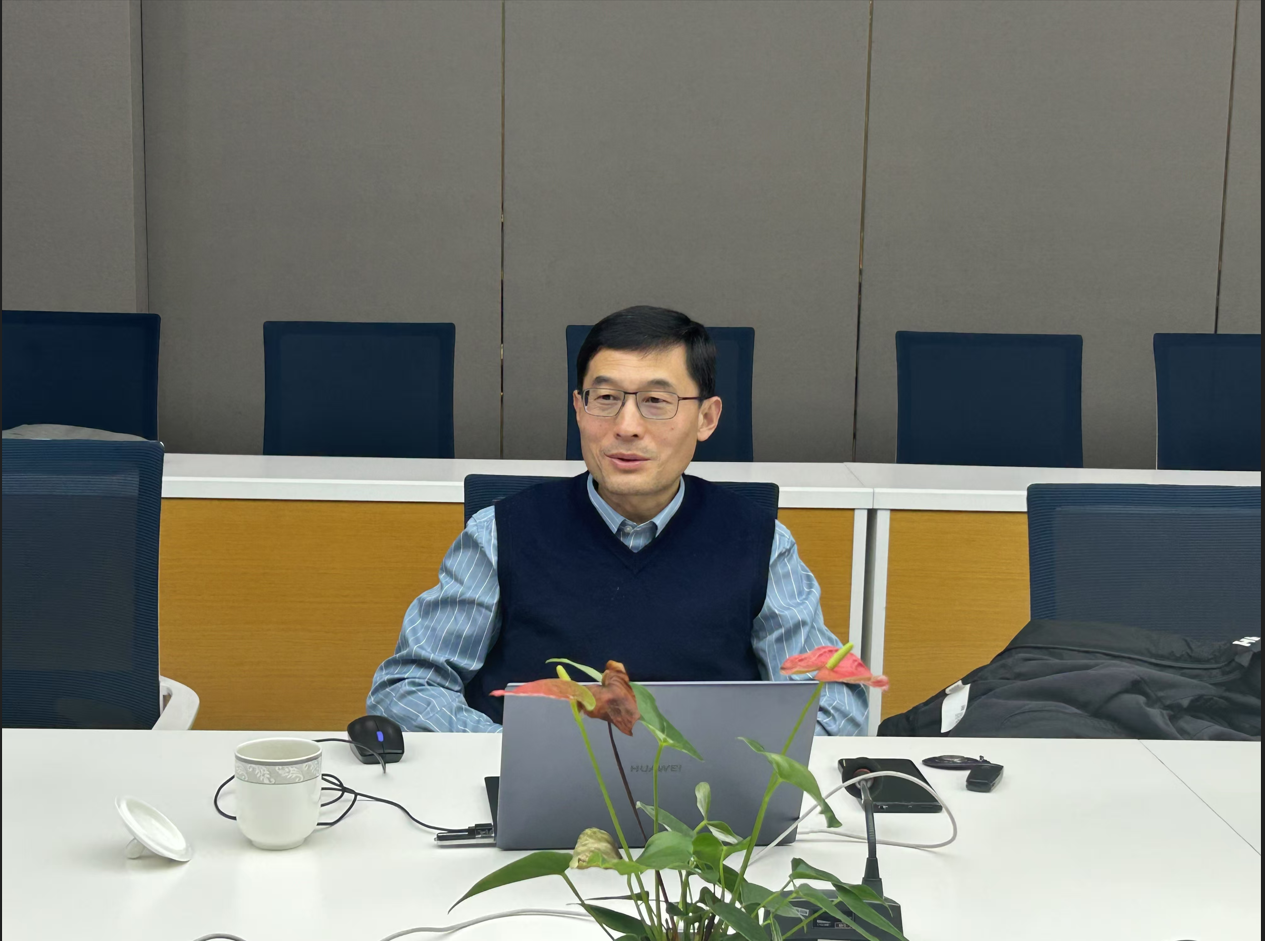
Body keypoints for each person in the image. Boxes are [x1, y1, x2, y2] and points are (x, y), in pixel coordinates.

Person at [367, 306, 867, 734]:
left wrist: (730, 763)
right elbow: (405, 687)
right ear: (578, 409)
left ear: (707, 418)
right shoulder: (499, 535)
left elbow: (837, 703)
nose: (627, 427)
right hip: (533, 797)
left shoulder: (761, 543)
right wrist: (513, 751)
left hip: (707, 807)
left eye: (656, 401)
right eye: (605, 399)